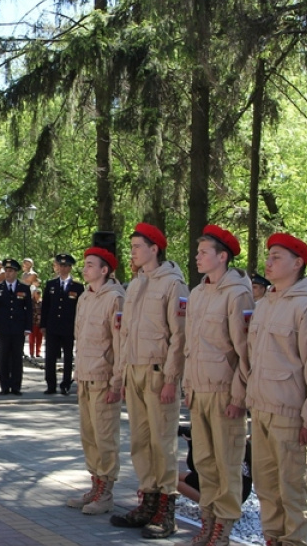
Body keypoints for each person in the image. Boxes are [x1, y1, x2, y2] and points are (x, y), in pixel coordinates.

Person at [246, 233, 307, 546]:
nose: (268, 262)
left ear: (297, 264)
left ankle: (294, 541)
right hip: (262, 409)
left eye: (277, 257)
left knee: (293, 488)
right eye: (268, 256)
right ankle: (272, 539)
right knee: (266, 486)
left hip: (291, 413)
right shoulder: (265, 303)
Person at [110, 223, 189, 539]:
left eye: (137, 247)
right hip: (136, 372)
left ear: (154, 249)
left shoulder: (173, 284)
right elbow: (126, 334)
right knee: (141, 442)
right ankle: (147, 501)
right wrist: (124, 374)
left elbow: (179, 336)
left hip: (159, 373)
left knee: (162, 442)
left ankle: (166, 511)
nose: (133, 252)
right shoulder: (136, 284)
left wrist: (172, 378)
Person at [182, 225, 254, 546]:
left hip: (224, 392)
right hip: (198, 389)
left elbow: (244, 352)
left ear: (222, 257)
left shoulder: (238, 293)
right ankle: (208, 517)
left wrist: (239, 396)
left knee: (227, 461)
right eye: (198, 252)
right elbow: (190, 345)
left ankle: (224, 524)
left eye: (203, 252)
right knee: (204, 461)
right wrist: (187, 384)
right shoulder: (197, 293)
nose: (197, 257)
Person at [66, 246, 126, 515]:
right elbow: (80, 337)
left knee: (105, 436)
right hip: (86, 374)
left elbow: (120, 343)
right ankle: (95, 483)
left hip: (104, 376)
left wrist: (117, 381)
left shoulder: (115, 298)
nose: (85, 268)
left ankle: (106, 491)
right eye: (85, 263)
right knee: (88, 436)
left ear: (105, 270)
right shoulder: (85, 297)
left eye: (91, 265)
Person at [41, 253, 83, 395]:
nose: (63, 268)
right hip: (53, 326)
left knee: (68, 357)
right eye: (61, 265)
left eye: (66, 266)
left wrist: (78, 327)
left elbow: (80, 309)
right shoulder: (51, 284)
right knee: (50, 356)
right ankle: (50, 384)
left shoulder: (77, 286)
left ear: (70, 268)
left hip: (68, 327)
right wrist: (43, 325)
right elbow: (45, 306)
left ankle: (65, 384)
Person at [0, 258, 33, 396]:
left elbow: (28, 310)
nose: (8, 274)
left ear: (16, 273)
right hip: (3, 328)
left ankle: (16, 386)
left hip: (18, 329)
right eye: (6, 271)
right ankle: (4, 386)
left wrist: (28, 327)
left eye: (11, 271)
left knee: (16, 358)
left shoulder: (24, 288)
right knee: (4, 358)